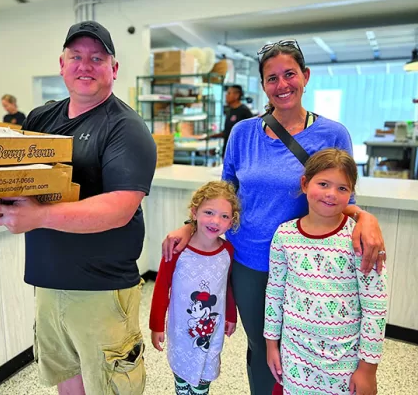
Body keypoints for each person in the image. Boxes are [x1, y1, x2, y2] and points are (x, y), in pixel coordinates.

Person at [162, 39, 386, 395]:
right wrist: (191, 226)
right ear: (263, 84)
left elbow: (344, 196)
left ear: (305, 76)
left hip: (308, 263)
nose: (282, 85)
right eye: (272, 78)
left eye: (289, 74)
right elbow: (225, 194)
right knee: (263, 348)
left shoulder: (332, 133)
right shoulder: (243, 133)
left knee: (303, 348)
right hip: (250, 260)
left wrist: (366, 218)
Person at [0, 20, 157, 395]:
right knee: (66, 379)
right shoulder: (41, 118)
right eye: (76, 56)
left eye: (97, 57)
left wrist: (39, 216)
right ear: (61, 65)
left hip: (101, 290)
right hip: (47, 281)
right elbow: (16, 177)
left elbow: (120, 208)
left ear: (114, 68)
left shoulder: (126, 128)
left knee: (111, 386)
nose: (85, 65)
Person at [264, 148, 387, 395]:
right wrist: (271, 345)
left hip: (343, 362)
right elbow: (275, 293)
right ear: (305, 183)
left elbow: (375, 306)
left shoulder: (360, 239)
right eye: (323, 184)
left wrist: (367, 369)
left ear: (351, 193)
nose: (332, 194)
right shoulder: (284, 235)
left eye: (342, 188)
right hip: (295, 357)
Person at [150, 181, 240, 395]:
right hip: (181, 328)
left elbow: (227, 287)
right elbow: (161, 287)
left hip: (211, 331)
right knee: (181, 370)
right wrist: (156, 326)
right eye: (209, 212)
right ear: (194, 212)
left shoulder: (228, 251)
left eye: (224, 216)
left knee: (204, 376)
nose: (215, 221)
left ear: (231, 222)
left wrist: (231, 316)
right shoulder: (178, 249)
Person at [211, 85, 253, 156]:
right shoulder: (230, 111)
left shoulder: (244, 111)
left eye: (229, 93)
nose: (226, 96)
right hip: (227, 153)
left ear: (237, 95)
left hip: (239, 154)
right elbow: (227, 132)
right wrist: (211, 136)